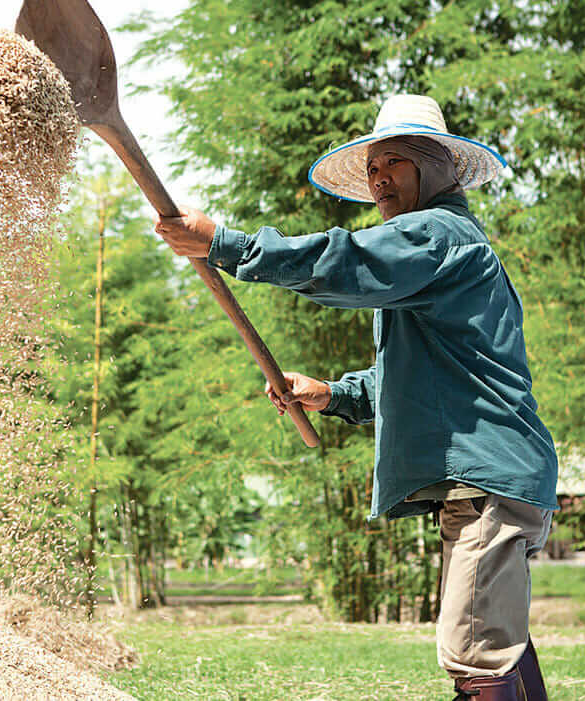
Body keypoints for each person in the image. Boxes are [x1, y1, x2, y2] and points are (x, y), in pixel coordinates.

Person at [155, 94, 558, 701]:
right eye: (372, 168)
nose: (378, 178)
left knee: (476, 650)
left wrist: (228, 245)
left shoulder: (436, 235)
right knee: (496, 641)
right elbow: (421, 378)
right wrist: (334, 394)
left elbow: (345, 262)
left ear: (437, 168)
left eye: (394, 161)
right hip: (490, 478)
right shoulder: (441, 251)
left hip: (487, 480)